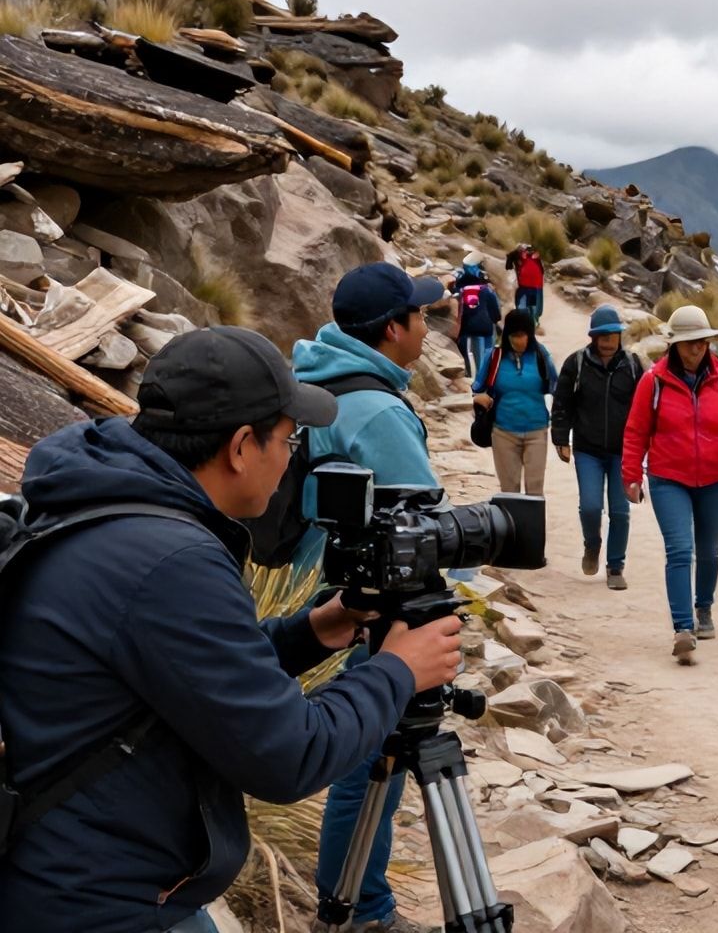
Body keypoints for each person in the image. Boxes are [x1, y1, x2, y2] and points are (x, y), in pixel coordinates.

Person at [0, 328, 464, 933]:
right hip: (103, 905)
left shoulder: (98, 504)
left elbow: (186, 673)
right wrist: (399, 670)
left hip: (63, 871)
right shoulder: (170, 559)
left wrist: (314, 630)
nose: (291, 459)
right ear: (242, 447)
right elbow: (290, 756)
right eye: (290, 439)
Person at [291, 262, 450, 933]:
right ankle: (365, 910)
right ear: (392, 329)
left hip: (310, 592)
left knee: (361, 758)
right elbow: (426, 532)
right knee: (370, 761)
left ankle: (354, 904)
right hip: (362, 610)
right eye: (420, 315)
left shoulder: (316, 379)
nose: (427, 327)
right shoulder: (379, 410)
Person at [621, 305, 718, 665]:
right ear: (675, 345)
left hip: (714, 478)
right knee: (680, 551)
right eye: (690, 342)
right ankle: (683, 629)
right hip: (668, 479)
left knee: (709, 551)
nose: (697, 348)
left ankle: (704, 607)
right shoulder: (653, 381)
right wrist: (631, 475)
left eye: (702, 341)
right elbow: (636, 430)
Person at [551, 304, 643, 586]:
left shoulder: (633, 365)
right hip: (587, 450)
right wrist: (560, 438)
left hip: (622, 452)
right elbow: (562, 403)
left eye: (612, 335)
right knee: (591, 507)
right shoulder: (576, 363)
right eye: (602, 336)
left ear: (619, 336)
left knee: (620, 512)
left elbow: (644, 408)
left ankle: (615, 567)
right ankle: (592, 544)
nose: (607, 341)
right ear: (593, 337)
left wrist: (646, 445)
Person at [474, 309, 556, 496]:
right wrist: (478, 398)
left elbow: (556, 386)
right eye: (514, 335)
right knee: (509, 491)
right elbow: (477, 388)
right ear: (507, 335)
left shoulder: (541, 355)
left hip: (537, 431)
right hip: (504, 432)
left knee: (535, 490)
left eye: (523, 335)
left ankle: (533, 518)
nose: (519, 340)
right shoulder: (494, 357)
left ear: (530, 335)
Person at [451, 252, 501, 378]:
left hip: (468, 329)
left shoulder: (460, 289)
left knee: (472, 359)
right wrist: (495, 321)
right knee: (485, 356)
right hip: (486, 329)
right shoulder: (487, 290)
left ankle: (473, 379)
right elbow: (496, 314)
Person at [505, 243, 545, 330]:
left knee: (523, 302)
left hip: (525, 285)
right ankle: (533, 322)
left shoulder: (517, 255)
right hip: (535, 285)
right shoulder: (535, 258)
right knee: (532, 304)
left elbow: (508, 266)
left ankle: (526, 322)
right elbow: (542, 271)